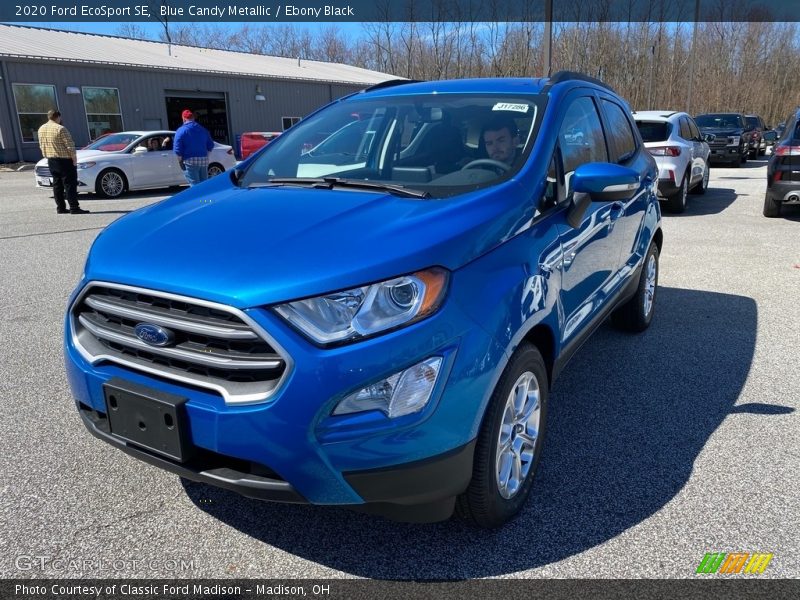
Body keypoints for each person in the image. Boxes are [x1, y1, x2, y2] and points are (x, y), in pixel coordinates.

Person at [37, 110, 89, 214]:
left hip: (51, 160)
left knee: (57, 185)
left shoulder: (41, 129)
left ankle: (60, 207)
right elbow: (69, 145)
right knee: (69, 184)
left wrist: (46, 155)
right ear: (58, 117)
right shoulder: (60, 128)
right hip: (65, 160)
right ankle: (74, 207)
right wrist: (74, 159)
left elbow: (41, 144)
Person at [173, 110, 214, 186]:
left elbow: (177, 149)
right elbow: (211, 145)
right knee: (204, 185)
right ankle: (206, 198)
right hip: (203, 161)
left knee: (195, 186)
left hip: (190, 161)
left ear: (184, 119)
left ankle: (198, 198)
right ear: (193, 118)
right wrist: (206, 157)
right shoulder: (203, 130)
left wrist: (180, 161)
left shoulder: (181, 130)